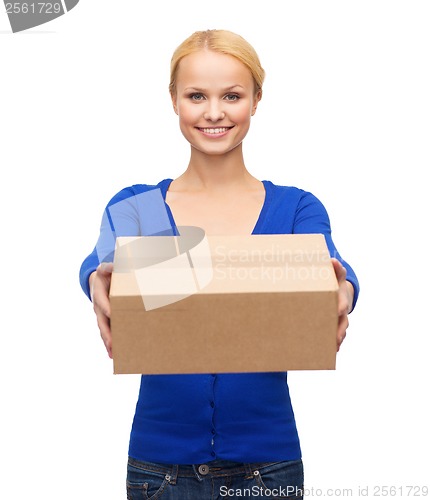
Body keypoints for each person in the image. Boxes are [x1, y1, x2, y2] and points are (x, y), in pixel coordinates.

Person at [79, 29, 359, 500]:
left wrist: (346, 288)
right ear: (173, 101)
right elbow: (101, 261)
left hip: (267, 468)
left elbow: (331, 265)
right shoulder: (140, 206)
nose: (213, 112)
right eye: (196, 96)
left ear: (256, 100)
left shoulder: (294, 208)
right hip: (159, 469)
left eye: (231, 95)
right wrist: (95, 279)